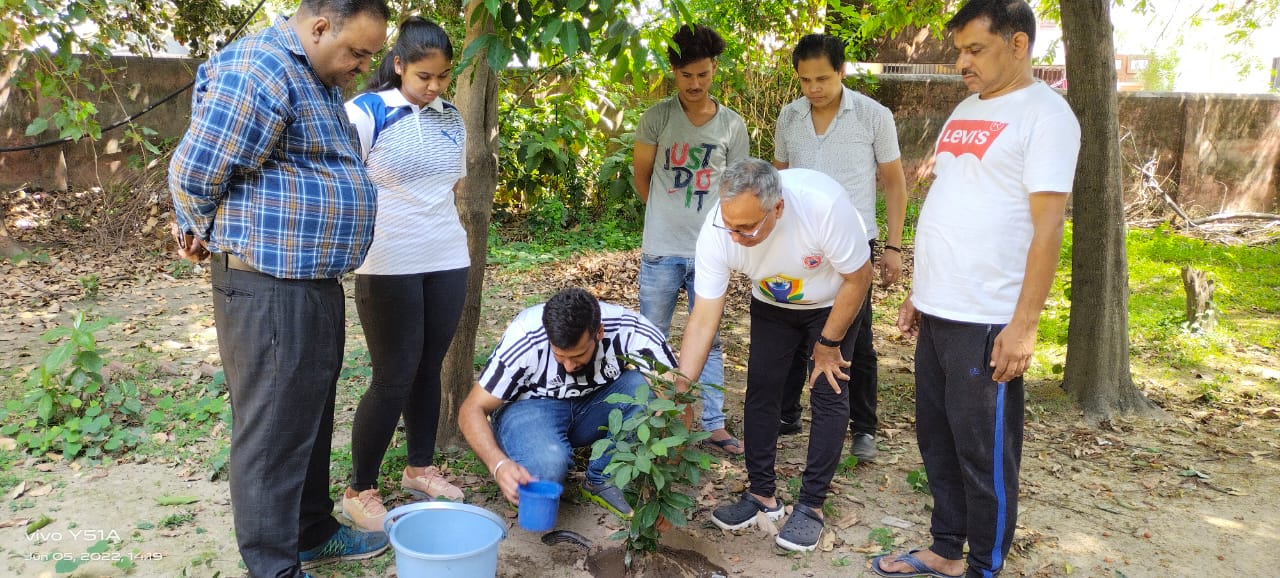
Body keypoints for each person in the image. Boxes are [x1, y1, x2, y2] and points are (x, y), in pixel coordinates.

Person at [168, 1, 392, 575]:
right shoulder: (260, 69)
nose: (364, 67)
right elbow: (194, 171)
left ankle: (311, 532)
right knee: (272, 435)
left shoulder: (312, 75)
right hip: (268, 285)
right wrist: (199, 228)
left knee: (308, 417)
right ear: (320, 27)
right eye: (358, 52)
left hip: (308, 280)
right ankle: (273, 566)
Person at [872, 1, 1080, 577]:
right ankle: (945, 549)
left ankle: (985, 567)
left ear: (1018, 45)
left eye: (975, 49)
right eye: (959, 49)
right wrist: (921, 290)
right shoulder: (966, 107)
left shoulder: (1047, 116)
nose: (962, 61)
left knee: (982, 455)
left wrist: (1025, 324)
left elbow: (1047, 227)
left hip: (988, 317)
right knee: (936, 440)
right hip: (940, 309)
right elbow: (953, 202)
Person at [675, 159, 873, 552]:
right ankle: (761, 495)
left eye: (747, 228)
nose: (735, 237)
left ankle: (811, 507)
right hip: (772, 302)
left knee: (828, 390)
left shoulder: (822, 206)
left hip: (833, 301)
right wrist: (680, 384)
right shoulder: (721, 228)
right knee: (761, 390)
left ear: (777, 208)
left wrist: (828, 344)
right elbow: (702, 319)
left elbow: (859, 277)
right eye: (730, 226)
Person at [337, 16, 468, 533]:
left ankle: (419, 467)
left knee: (428, 367)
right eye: (423, 77)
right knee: (393, 375)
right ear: (398, 66)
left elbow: (451, 186)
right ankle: (360, 487)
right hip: (388, 260)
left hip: (447, 256)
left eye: (441, 77)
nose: (434, 87)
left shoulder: (451, 116)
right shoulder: (366, 110)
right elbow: (346, 181)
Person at [773, 33, 908, 463]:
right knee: (794, 326)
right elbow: (778, 178)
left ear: (842, 72)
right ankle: (788, 413)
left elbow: (895, 182)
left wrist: (893, 246)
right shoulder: (790, 116)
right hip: (797, 242)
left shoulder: (873, 116)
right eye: (806, 80)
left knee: (855, 337)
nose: (814, 88)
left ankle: (863, 426)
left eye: (823, 79)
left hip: (853, 245)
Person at [458, 288, 677, 519]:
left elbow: (676, 397)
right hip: (530, 411)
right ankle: (532, 458)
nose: (569, 367)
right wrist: (498, 465)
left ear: (599, 332)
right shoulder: (525, 338)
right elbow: (471, 409)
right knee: (546, 468)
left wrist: (661, 487)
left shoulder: (630, 330)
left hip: (595, 405)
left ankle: (601, 477)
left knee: (649, 390)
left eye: (578, 355)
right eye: (560, 356)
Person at [633, 24, 749, 457]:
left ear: (715, 68)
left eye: (703, 74)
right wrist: (666, 213)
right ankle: (655, 416)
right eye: (687, 76)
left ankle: (714, 423)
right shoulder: (656, 118)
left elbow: (738, 189)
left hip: (713, 250)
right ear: (673, 72)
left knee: (712, 338)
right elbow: (642, 178)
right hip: (662, 248)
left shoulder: (732, 125)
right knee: (652, 336)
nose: (696, 84)